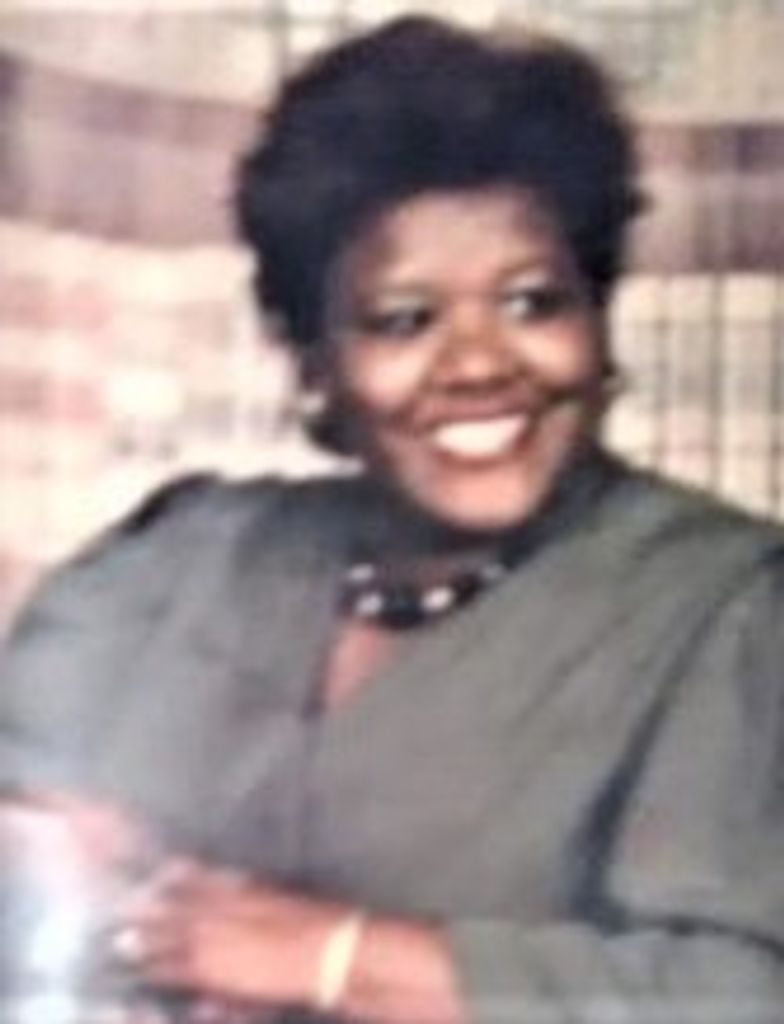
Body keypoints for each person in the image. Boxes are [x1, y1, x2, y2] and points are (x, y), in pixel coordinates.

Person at [1, 14, 783, 1024]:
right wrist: (56, 860)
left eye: (533, 302)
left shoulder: (725, 607)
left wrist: (333, 957)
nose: (478, 363)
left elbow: (742, 995)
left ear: (598, 325)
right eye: (403, 320)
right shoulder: (181, 559)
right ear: (317, 364)